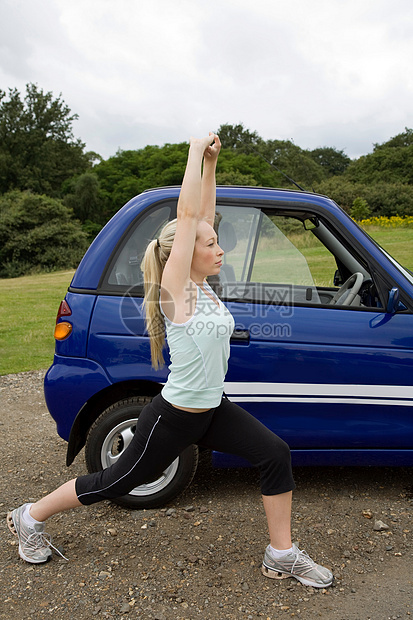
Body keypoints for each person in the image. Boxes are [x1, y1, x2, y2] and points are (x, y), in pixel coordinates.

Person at [7, 133, 333, 588]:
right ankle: (30, 515)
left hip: (211, 409)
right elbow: (187, 216)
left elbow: (200, 216)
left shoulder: (203, 287)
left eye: (218, 241)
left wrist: (213, 165)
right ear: (184, 253)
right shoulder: (175, 292)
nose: (219, 249)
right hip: (175, 416)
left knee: (275, 454)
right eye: (211, 244)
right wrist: (194, 153)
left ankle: (281, 554)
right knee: (112, 483)